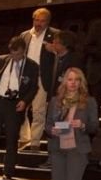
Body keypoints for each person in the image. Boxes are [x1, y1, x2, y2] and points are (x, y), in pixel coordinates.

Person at [44, 67, 98, 180]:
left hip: (77, 151)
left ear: (81, 82)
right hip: (58, 150)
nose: (73, 83)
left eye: (76, 79)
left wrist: (82, 125)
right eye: (70, 79)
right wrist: (52, 130)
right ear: (65, 82)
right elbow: (47, 125)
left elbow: (94, 126)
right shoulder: (55, 101)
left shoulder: (89, 102)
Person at [0, 36, 39, 180]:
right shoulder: (2, 59)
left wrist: (25, 101)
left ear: (23, 51)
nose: (15, 57)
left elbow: (34, 87)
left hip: (14, 105)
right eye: (12, 53)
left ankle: (8, 172)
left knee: (12, 139)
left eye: (18, 54)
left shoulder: (32, 66)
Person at [19, 8, 70, 151]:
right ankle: (25, 138)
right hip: (25, 78)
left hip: (43, 77)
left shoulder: (55, 34)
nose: (38, 23)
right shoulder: (24, 35)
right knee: (20, 109)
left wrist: (54, 49)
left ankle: (35, 142)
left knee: (38, 111)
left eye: (42, 21)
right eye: (36, 20)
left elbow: (64, 53)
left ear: (48, 22)